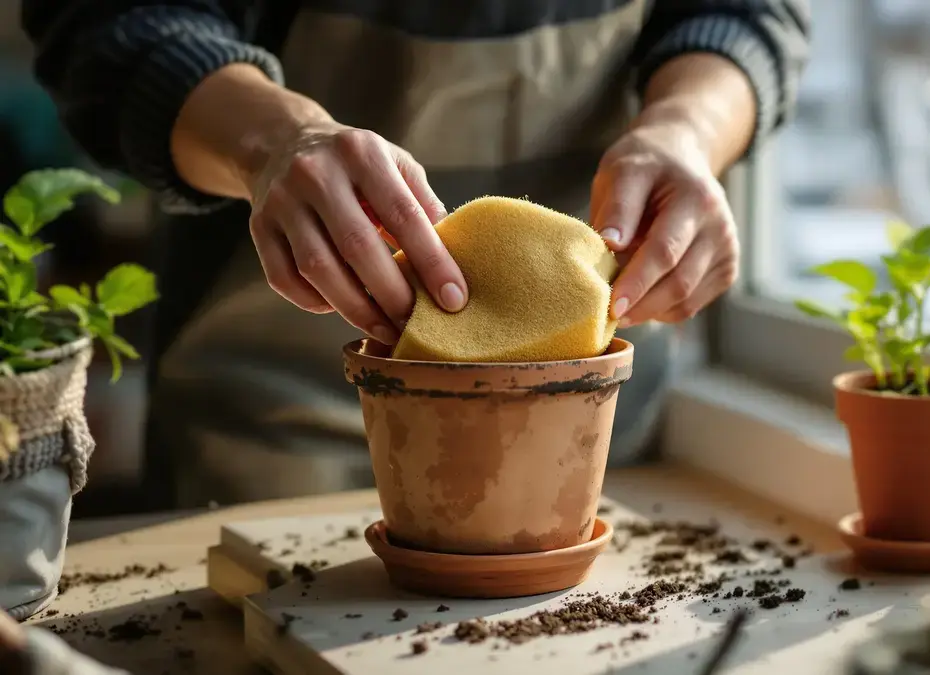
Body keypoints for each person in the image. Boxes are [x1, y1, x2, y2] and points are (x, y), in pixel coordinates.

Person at [20, 1, 811, 510]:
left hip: (597, 448)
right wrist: (273, 140)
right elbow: (106, 22)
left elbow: (746, 12)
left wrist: (687, 130)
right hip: (271, 448)